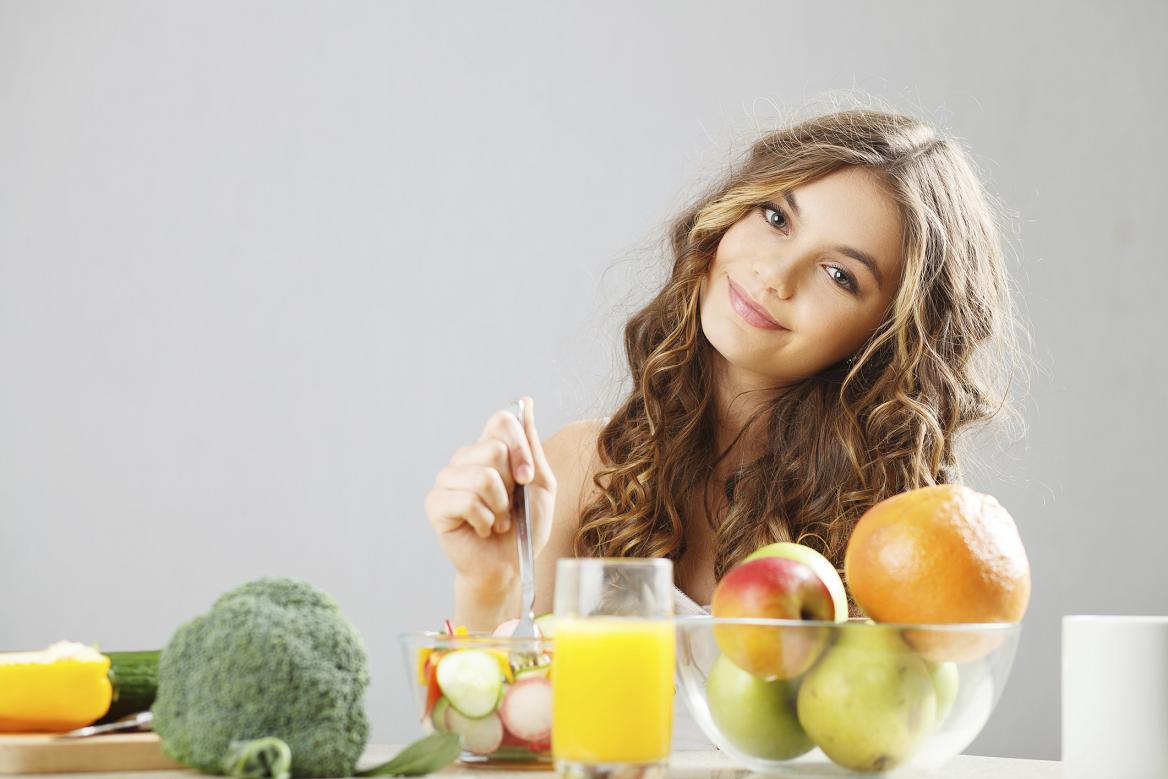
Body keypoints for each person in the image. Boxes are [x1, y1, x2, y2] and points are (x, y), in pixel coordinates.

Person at [424, 106, 1025, 635]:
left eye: (839, 275)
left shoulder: (906, 539)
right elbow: (489, 749)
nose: (775, 275)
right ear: (730, 210)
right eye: (775, 217)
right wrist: (490, 583)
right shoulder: (580, 471)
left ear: (888, 337)